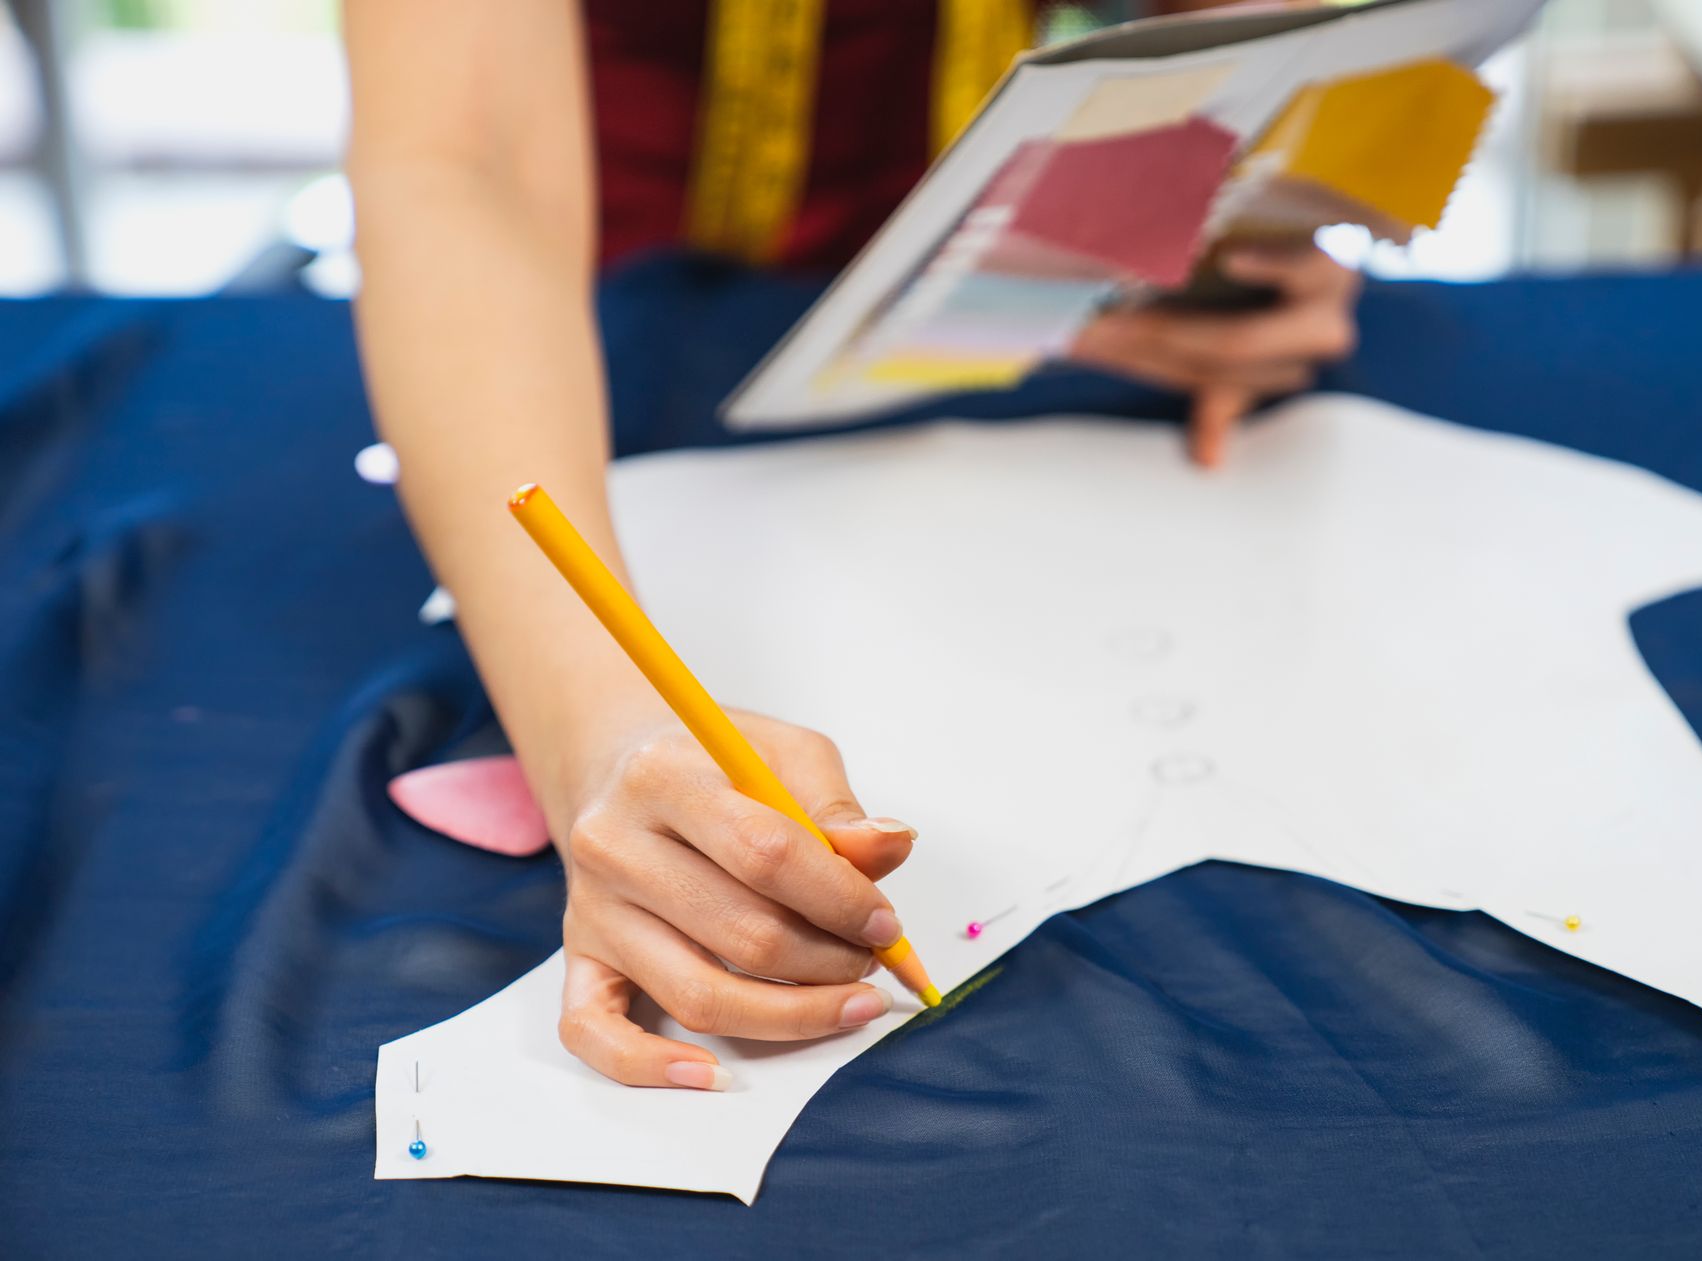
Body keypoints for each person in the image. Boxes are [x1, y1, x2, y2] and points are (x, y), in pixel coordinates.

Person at [343, 0, 1360, 1090]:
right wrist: (596, 729)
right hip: (565, 359)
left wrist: (1240, 206)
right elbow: (469, 161)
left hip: (1015, 330)